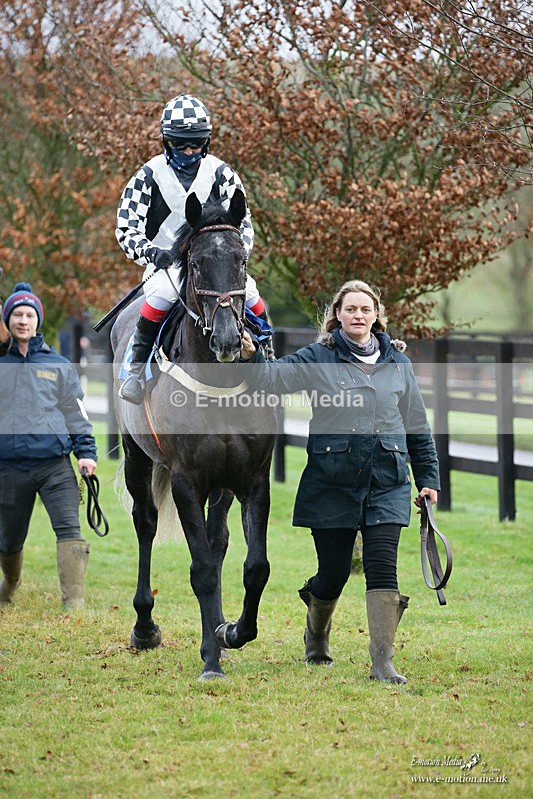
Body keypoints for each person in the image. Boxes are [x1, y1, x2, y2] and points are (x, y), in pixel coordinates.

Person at [241, 279, 440, 683]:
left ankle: (382, 662)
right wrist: (250, 357)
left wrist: (428, 479)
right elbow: (273, 379)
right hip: (331, 484)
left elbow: (417, 427)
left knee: (383, 569)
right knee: (331, 575)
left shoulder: (398, 364)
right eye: (350, 309)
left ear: (376, 316)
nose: (358, 316)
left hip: (388, 482)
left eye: (365, 310)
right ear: (338, 315)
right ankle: (316, 633)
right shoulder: (319, 357)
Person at [116, 92, 270, 404]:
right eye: (180, 144)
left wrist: (235, 257)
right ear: (166, 141)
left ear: (207, 141)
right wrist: (149, 252)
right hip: (167, 265)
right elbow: (125, 226)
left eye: (196, 143)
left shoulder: (221, 171)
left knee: (252, 297)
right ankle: (135, 371)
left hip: (217, 263)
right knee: (161, 296)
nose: (189, 150)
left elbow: (245, 223)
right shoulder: (148, 174)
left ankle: (268, 358)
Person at [0, 282, 97, 609]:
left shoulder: (58, 365)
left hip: (54, 465)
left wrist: (86, 453)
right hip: (9, 467)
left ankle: (74, 603)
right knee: (8, 540)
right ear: (8, 321)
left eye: (29, 315)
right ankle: (10, 585)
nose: (23, 321)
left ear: (38, 321)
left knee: (70, 528)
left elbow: (76, 411)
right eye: (17, 315)